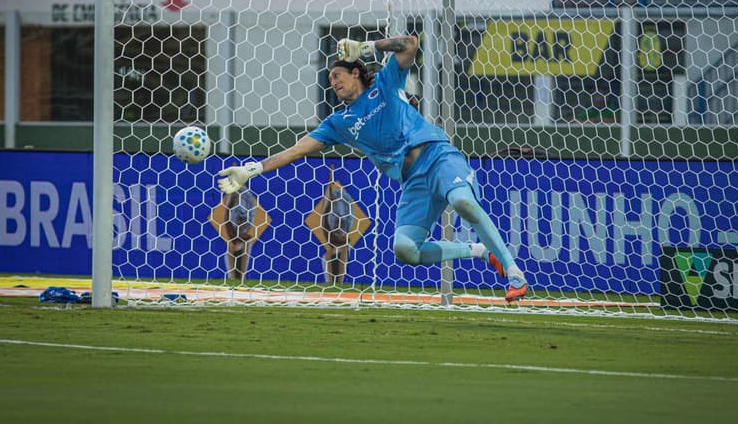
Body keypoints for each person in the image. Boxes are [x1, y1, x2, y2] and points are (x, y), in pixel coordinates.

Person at [217, 35, 528, 301]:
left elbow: (410, 44)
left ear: (356, 73)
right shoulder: (339, 123)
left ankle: (514, 274)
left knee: (462, 202)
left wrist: (367, 46)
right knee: (405, 250)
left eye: (338, 75)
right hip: (413, 181)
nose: (334, 82)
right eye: (330, 79)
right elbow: (297, 150)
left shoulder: (384, 83)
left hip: (438, 156)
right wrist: (251, 170)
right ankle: (479, 251)